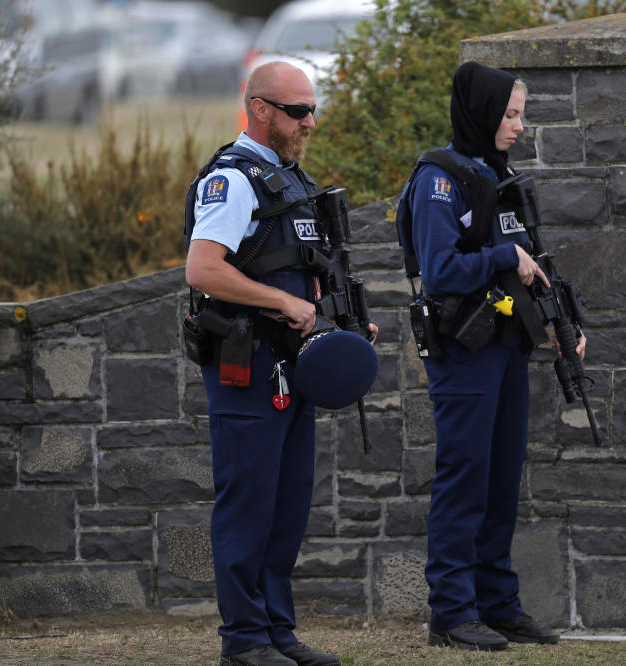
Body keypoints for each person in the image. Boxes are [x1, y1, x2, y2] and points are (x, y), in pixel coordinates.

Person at [185, 61, 376, 666]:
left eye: (312, 110)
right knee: (248, 505)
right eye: (298, 112)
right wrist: (283, 302)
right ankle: (243, 641)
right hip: (248, 367)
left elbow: (298, 267)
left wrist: (340, 321)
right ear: (261, 109)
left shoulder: (291, 180)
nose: (309, 122)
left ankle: (277, 633)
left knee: (287, 507)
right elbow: (204, 269)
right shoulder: (233, 181)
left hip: (294, 367)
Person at [403, 61, 586, 651]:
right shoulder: (440, 178)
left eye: (521, 115)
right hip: (464, 348)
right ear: (482, 112)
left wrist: (564, 324)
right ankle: (452, 614)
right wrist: (503, 258)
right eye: (509, 114)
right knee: (466, 478)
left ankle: (497, 606)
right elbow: (440, 271)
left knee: (502, 480)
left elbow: (535, 265)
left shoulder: (500, 176)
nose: (518, 126)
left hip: (506, 344)